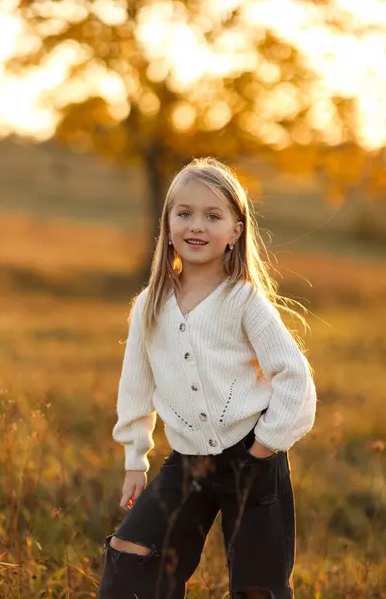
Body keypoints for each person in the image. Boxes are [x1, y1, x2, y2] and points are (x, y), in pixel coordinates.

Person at [98, 157, 317, 599]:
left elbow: (294, 378)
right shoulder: (150, 304)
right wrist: (134, 461)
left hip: (253, 457)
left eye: (213, 216)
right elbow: (135, 387)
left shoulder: (244, 301)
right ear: (168, 222)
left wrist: (262, 447)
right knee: (131, 554)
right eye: (184, 213)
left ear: (236, 230)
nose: (196, 226)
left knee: (259, 587)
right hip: (187, 463)